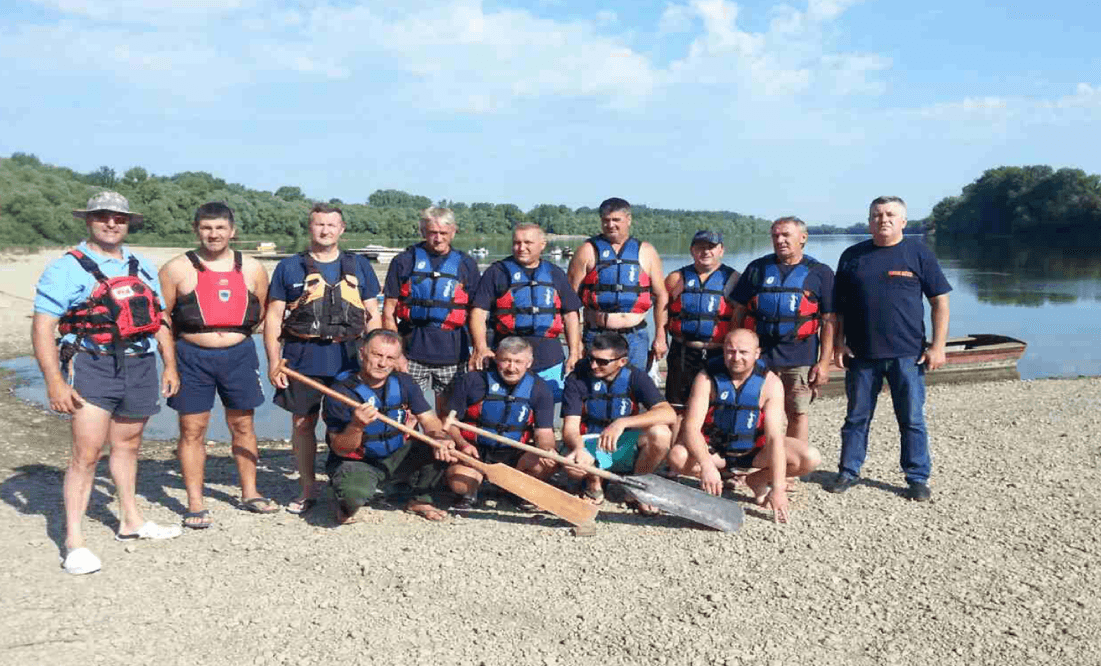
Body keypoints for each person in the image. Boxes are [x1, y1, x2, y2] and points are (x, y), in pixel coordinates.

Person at [32, 192, 182, 575]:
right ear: (89, 221)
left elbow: (160, 318)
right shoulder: (67, 268)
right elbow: (43, 325)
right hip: (92, 364)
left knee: (128, 446)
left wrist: (170, 365)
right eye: (103, 217)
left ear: (128, 222)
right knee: (86, 454)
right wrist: (54, 382)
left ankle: (130, 520)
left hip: (140, 364)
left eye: (119, 218)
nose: (111, 224)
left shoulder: (141, 265)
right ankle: (74, 541)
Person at [828, 196, 951, 502]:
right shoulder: (852, 256)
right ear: (869, 221)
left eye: (890, 215)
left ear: (903, 221)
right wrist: (837, 344)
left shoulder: (918, 253)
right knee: (856, 418)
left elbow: (940, 302)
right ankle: (848, 471)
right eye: (876, 215)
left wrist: (938, 347)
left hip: (907, 354)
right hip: (861, 354)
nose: (883, 219)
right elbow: (838, 309)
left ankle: (917, 477)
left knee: (911, 419)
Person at [159, 202, 274, 529]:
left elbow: (265, 314)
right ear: (197, 230)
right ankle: (195, 502)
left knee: (243, 425)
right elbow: (162, 319)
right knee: (192, 429)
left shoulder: (252, 268)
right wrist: (169, 364)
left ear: (232, 231)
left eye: (220, 228)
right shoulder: (175, 269)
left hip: (239, 355)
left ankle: (250, 492)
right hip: (192, 356)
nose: (213, 234)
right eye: (207, 228)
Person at [264, 203, 381, 515]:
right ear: (310, 227)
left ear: (341, 229)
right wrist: (273, 362)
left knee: (352, 421)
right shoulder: (289, 268)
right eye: (319, 225)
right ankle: (307, 487)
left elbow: (373, 315)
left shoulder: (359, 266)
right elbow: (274, 318)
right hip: (302, 358)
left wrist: (380, 359)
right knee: (303, 424)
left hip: (349, 358)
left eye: (331, 225)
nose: (325, 230)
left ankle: (348, 482)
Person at [666, 329, 821, 524]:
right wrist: (706, 465)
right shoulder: (706, 378)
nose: (736, 357)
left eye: (743, 352)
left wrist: (778, 488)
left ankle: (757, 480)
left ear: (757, 354)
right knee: (677, 457)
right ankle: (716, 477)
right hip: (716, 451)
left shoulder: (770, 383)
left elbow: (774, 439)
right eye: (730, 351)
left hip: (754, 451)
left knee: (809, 458)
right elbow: (691, 428)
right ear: (723, 351)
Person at [323, 330, 455, 523]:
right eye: (377, 355)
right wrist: (356, 425)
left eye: (390, 357)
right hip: (360, 460)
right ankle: (342, 492)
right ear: (362, 353)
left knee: (443, 445)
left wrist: (439, 437)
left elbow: (430, 421)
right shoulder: (340, 392)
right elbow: (340, 448)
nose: (382, 363)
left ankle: (419, 500)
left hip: (395, 454)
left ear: (396, 361)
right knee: (352, 498)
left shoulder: (405, 382)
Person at [731, 217, 835, 442]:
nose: (780, 240)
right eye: (775, 235)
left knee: (797, 412)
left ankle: (792, 465)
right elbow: (738, 312)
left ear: (803, 238)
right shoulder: (757, 268)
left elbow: (829, 321)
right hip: (760, 356)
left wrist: (824, 362)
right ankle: (753, 461)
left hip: (800, 357)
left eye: (786, 235)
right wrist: (735, 349)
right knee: (753, 410)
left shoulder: (820, 272)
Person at [561, 332, 675, 512]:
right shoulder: (576, 379)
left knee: (661, 433)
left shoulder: (635, 376)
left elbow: (668, 414)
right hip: (590, 444)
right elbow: (570, 429)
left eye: (602, 362)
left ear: (622, 361)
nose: (594, 365)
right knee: (572, 464)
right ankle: (594, 486)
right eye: (591, 358)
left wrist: (621, 423)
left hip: (622, 443)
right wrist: (578, 449)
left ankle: (636, 487)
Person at [468, 223, 582, 402]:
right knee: (508, 409)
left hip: (549, 357)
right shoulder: (496, 272)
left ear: (542, 244)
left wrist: (574, 352)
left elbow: (570, 315)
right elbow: (478, 313)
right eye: (517, 243)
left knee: (546, 409)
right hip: (508, 357)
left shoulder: (555, 273)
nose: (521, 248)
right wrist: (481, 348)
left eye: (528, 242)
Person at [383, 207, 480, 413]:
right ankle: (411, 446)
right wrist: (394, 354)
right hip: (410, 352)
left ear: (453, 231)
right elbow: (389, 311)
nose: (437, 238)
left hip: (453, 353)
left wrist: (477, 350)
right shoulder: (404, 261)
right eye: (432, 232)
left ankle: (441, 445)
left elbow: (475, 313)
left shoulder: (466, 264)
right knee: (405, 411)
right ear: (422, 231)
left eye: (443, 233)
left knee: (448, 414)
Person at [445, 337, 558, 509]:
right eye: (506, 361)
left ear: (529, 363)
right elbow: (450, 423)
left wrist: (547, 450)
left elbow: (544, 432)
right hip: (475, 450)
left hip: (514, 453)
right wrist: (462, 445)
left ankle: (512, 490)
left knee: (544, 464)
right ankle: (472, 489)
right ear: (496, 359)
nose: (512, 368)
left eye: (518, 362)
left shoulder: (540, 388)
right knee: (459, 482)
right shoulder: (472, 381)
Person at [567, 197, 668, 372]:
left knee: (633, 389)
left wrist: (660, 335)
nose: (610, 225)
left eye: (616, 220)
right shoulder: (587, 251)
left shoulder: (646, 251)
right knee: (595, 389)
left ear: (628, 220)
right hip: (597, 333)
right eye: (606, 220)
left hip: (635, 336)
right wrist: (575, 346)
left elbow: (661, 296)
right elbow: (570, 301)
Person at [664, 230, 740, 444]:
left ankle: (714, 451)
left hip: (718, 352)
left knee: (719, 404)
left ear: (721, 250)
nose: (705, 251)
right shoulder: (676, 277)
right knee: (678, 407)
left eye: (711, 247)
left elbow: (740, 315)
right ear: (692, 250)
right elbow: (662, 307)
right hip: (683, 350)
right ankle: (675, 458)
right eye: (700, 247)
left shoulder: (734, 279)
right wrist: (660, 337)